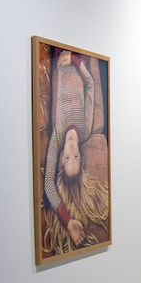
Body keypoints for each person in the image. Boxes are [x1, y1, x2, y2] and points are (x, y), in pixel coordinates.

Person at [44, 50, 109, 248]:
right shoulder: (85, 130)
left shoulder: (57, 135)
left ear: (61, 157)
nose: (71, 146)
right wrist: (74, 60)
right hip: (79, 59)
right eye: (75, 156)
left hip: (59, 58)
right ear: (81, 156)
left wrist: (68, 221)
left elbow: (48, 184)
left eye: (67, 157)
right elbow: (90, 84)